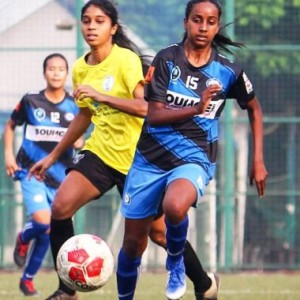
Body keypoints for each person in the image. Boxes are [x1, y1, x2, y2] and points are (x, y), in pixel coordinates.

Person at [29, 1, 218, 300]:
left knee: (159, 233)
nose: (91, 26)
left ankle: (204, 283)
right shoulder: (80, 67)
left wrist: (101, 96)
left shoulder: (126, 60)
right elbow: (84, 116)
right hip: (101, 155)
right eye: (87, 20)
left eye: (99, 21)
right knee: (60, 208)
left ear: (113, 28)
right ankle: (68, 289)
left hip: (140, 161)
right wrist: (52, 156)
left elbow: (145, 108)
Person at [117, 0, 269, 299]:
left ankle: (175, 263)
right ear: (186, 22)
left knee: (175, 206)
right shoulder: (166, 59)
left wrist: (258, 159)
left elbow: (254, 109)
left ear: (217, 26)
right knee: (133, 245)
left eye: (210, 21)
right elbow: (155, 114)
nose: (203, 27)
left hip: (194, 157)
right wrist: (197, 107)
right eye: (197, 20)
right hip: (149, 159)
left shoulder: (228, 71)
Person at [4, 53, 83, 297]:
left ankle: (27, 280)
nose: (56, 72)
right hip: (31, 172)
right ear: (44, 72)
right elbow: (10, 126)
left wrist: (79, 141)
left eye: (61, 69)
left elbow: (80, 135)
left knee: (49, 231)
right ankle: (23, 236)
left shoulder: (74, 105)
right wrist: (8, 155)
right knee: (41, 222)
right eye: (51, 68)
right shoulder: (31, 101)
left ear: (67, 73)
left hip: (62, 178)